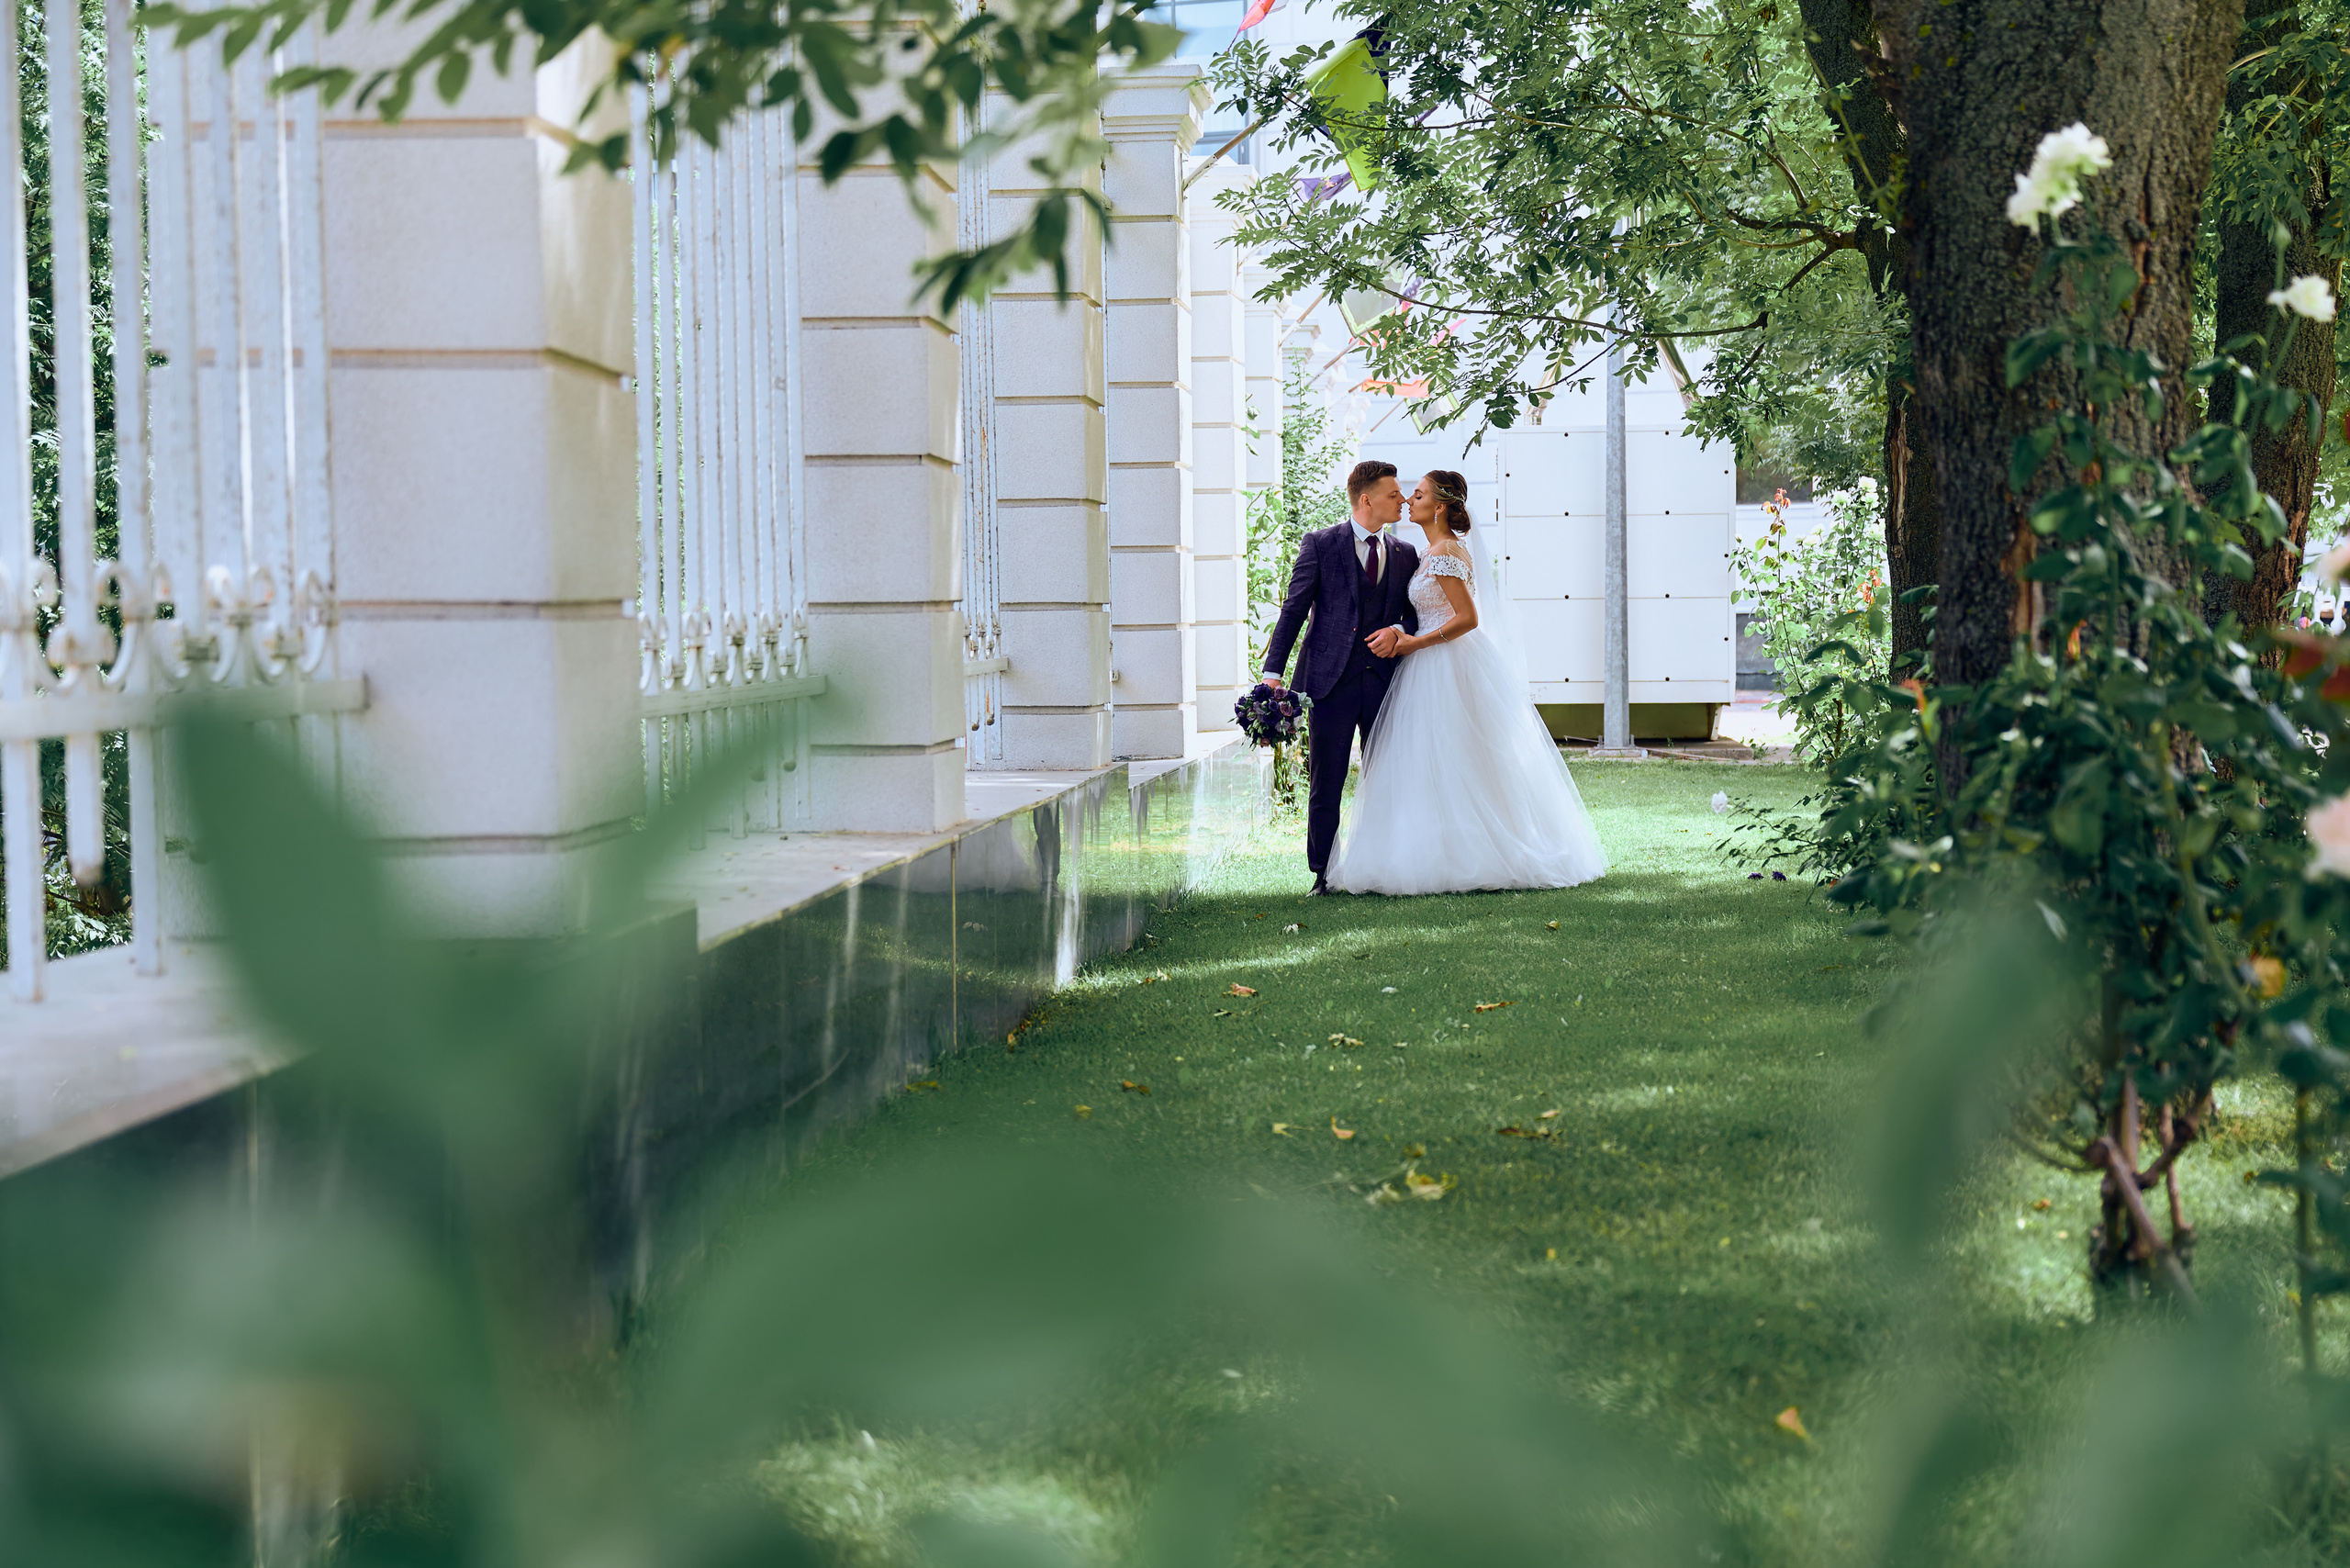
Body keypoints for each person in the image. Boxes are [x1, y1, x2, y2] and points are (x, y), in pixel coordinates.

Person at [1325, 470, 1608, 895]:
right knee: (1436, 761)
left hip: (1447, 664)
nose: (1408, 501)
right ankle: (1437, 849)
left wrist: (1414, 643)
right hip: (1430, 662)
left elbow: (1467, 618)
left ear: (1437, 507)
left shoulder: (1445, 553)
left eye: (1416, 495)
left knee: (1454, 755)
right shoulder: (1433, 551)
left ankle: (1475, 854)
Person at [1259, 459, 1421, 895]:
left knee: (1385, 775)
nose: (1402, 499)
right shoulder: (1321, 544)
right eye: (1393, 493)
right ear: (1366, 500)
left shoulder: (1406, 554)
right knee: (1326, 780)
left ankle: (1382, 866)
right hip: (1328, 682)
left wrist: (1399, 632)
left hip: (1385, 680)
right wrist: (1272, 675)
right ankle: (1322, 875)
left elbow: (1413, 615)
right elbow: (1293, 610)